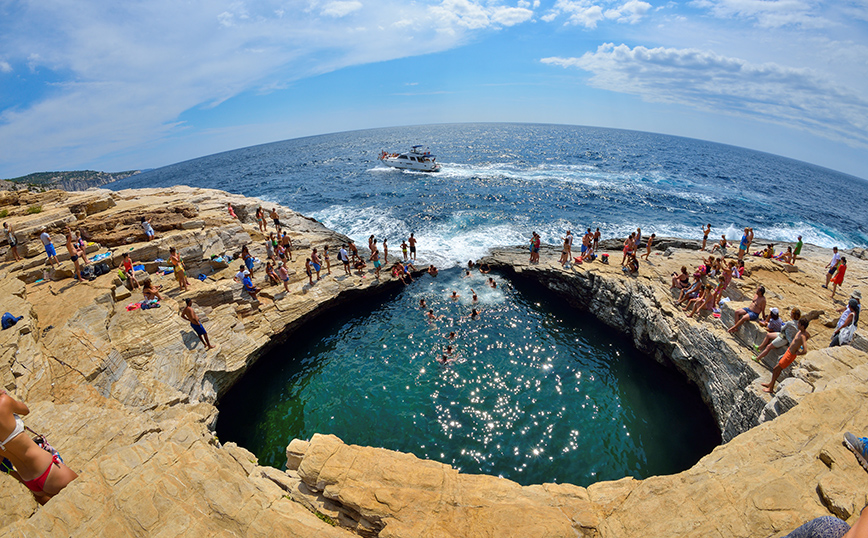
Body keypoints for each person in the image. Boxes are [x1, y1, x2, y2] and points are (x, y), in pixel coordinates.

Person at [0, 390, 78, 504]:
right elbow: (25, 410)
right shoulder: (4, 402)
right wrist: (5, 396)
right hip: (47, 469)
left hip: (29, 480)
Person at [762, 319, 809, 393]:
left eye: (799, 324)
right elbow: (808, 336)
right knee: (778, 370)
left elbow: (805, 350)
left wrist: (798, 353)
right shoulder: (801, 332)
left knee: (775, 369)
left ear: (802, 326)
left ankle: (771, 388)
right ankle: (770, 384)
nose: (797, 325)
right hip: (788, 351)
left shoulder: (803, 336)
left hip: (790, 355)